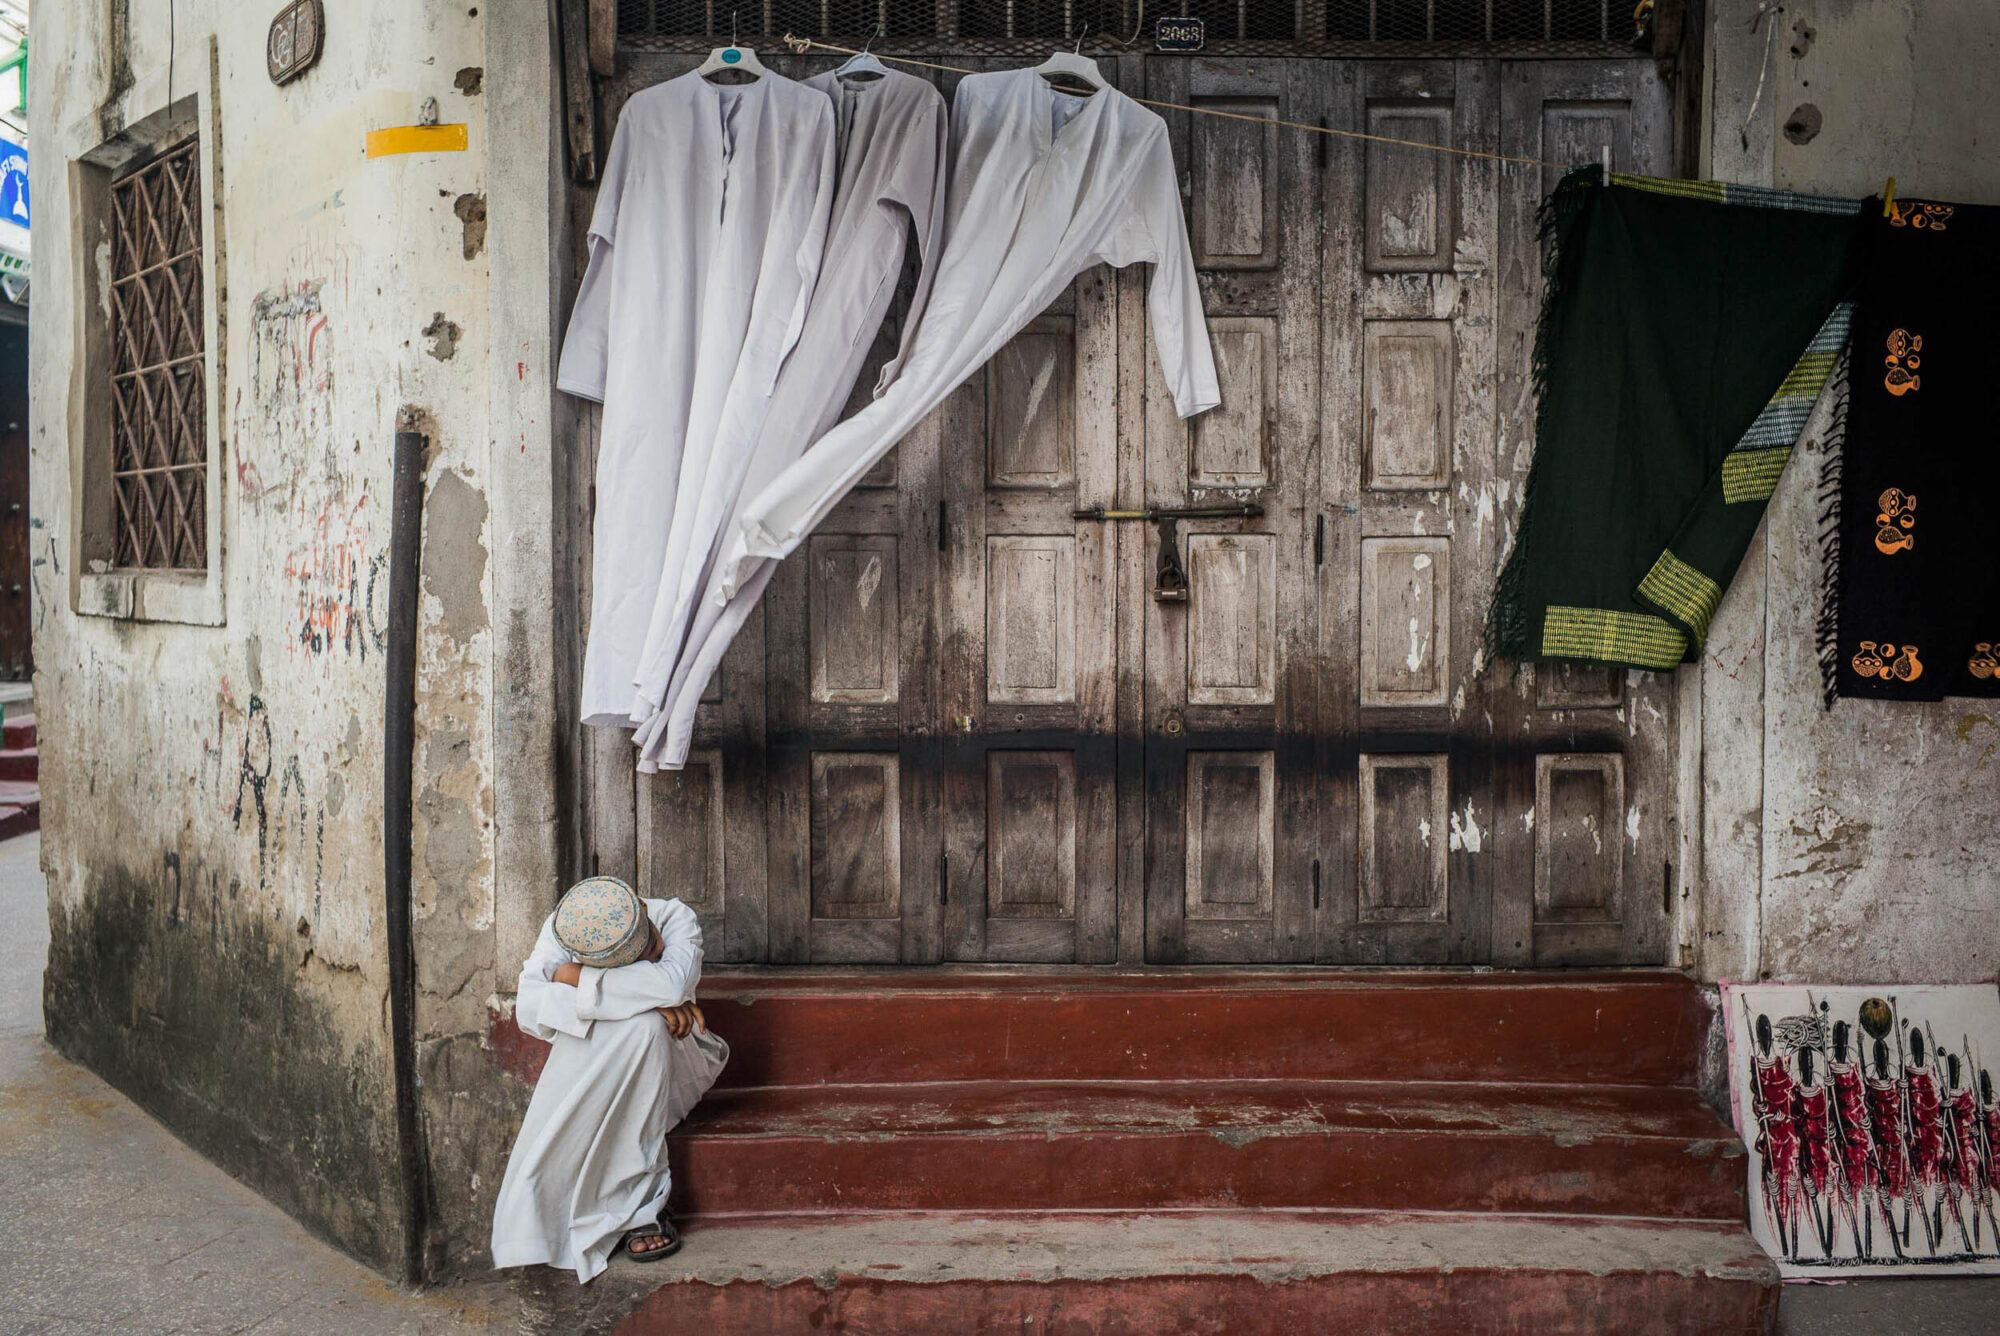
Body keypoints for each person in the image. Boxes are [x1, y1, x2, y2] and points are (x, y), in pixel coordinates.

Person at [489, 876, 728, 1281]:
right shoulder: (566, 927)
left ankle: (641, 1205)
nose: (657, 949)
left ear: (644, 909)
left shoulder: (675, 916)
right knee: (642, 1022)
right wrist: (648, 1005)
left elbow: (670, 983)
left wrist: (572, 977)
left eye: (652, 945)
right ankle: (614, 1208)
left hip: (678, 1053)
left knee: (647, 1028)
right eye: (638, 958)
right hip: (600, 1057)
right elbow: (529, 1008)